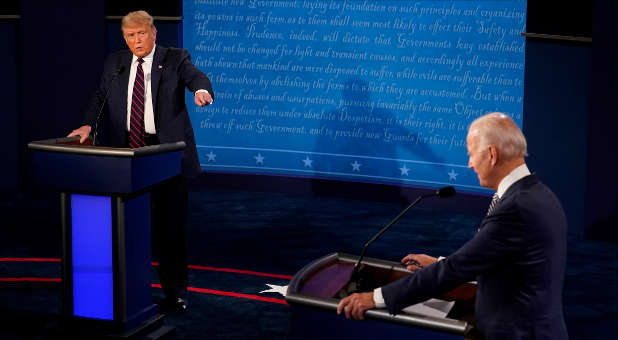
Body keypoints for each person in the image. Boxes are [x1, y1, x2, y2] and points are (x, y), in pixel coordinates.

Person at [337, 112, 568, 339]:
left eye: (470, 155)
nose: (469, 164)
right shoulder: (540, 194)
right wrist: (439, 263)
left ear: (491, 154)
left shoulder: (515, 207)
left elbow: (458, 268)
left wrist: (374, 299)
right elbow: (500, 261)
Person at [68, 10, 214, 313]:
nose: (137, 40)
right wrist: (87, 125)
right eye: (131, 35)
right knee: (125, 228)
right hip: (125, 157)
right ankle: (127, 290)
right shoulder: (116, 63)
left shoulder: (174, 57)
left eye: (142, 34)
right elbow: (100, 97)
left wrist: (201, 90)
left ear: (154, 33)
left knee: (170, 230)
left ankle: (175, 293)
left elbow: (195, 77)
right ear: (125, 37)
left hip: (165, 157)